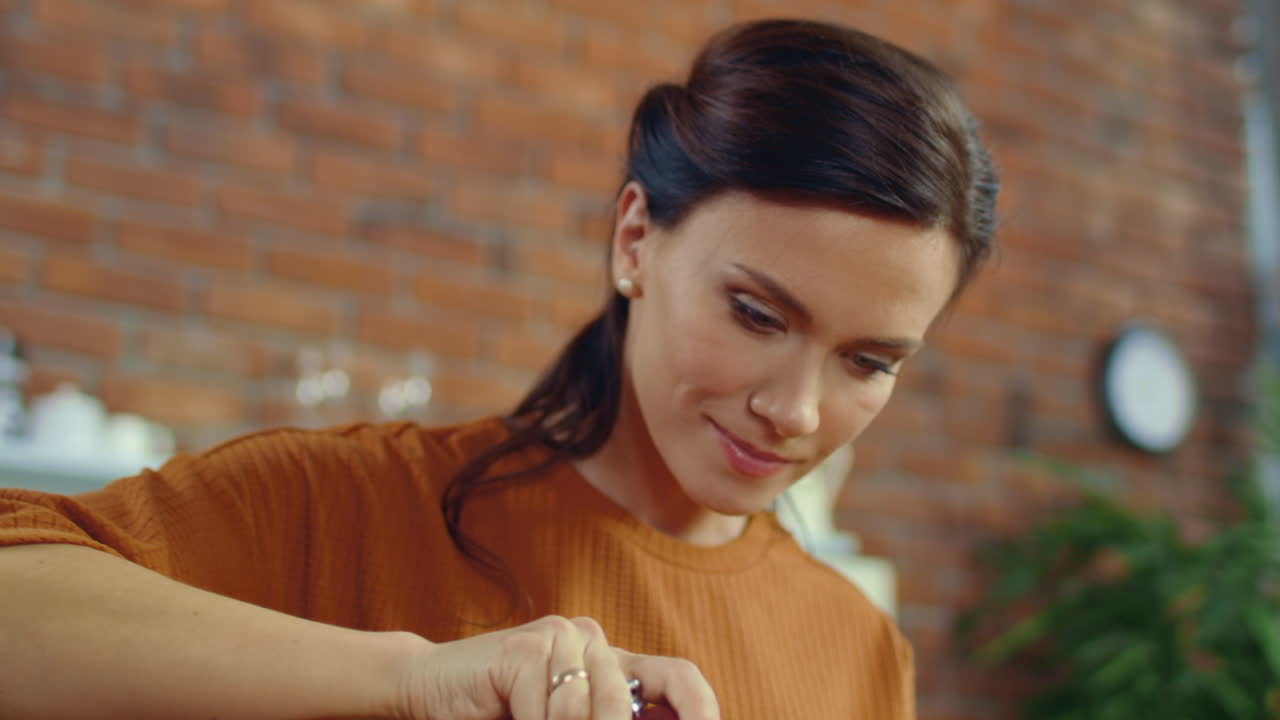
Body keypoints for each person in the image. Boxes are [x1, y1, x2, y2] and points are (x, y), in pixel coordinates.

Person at [0, 17, 997, 720]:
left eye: (867, 362)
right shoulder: (349, 508)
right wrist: (410, 679)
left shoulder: (856, 650)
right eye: (753, 312)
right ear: (636, 239)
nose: (793, 409)